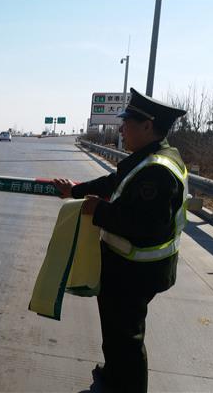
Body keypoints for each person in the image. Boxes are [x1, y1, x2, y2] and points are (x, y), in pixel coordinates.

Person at [54, 88, 188, 392]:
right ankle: (114, 375)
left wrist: (99, 211)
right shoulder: (149, 160)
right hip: (129, 267)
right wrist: (75, 190)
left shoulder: (158, 171)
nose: (121, 129)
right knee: (116, 332)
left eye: (127, 123)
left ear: (147, 126)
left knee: (127, 338)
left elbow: (147, 225)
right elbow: (115, 183)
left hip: (137, 271)